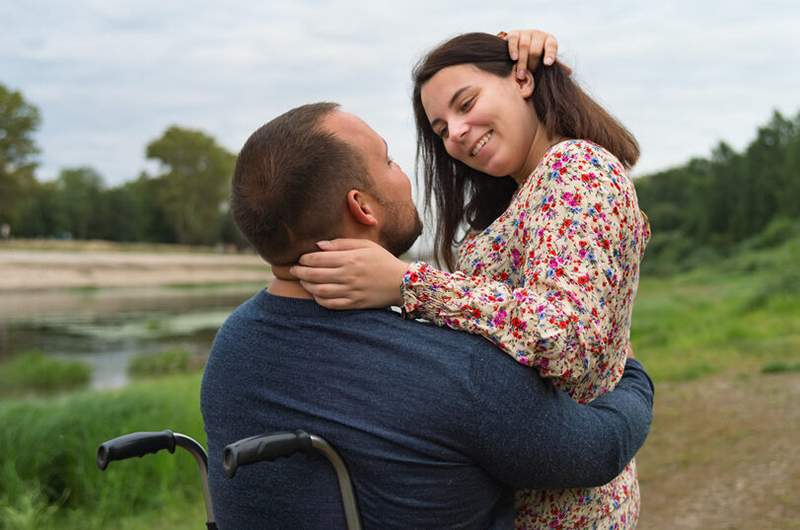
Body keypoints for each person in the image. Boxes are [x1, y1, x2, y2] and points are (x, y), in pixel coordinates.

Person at [200, 101, 654, 529]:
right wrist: (632, 375)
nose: (406, 176)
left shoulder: (232, 348)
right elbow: (598, 450)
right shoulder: (458, 369)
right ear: (362, 207)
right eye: (390, 161)